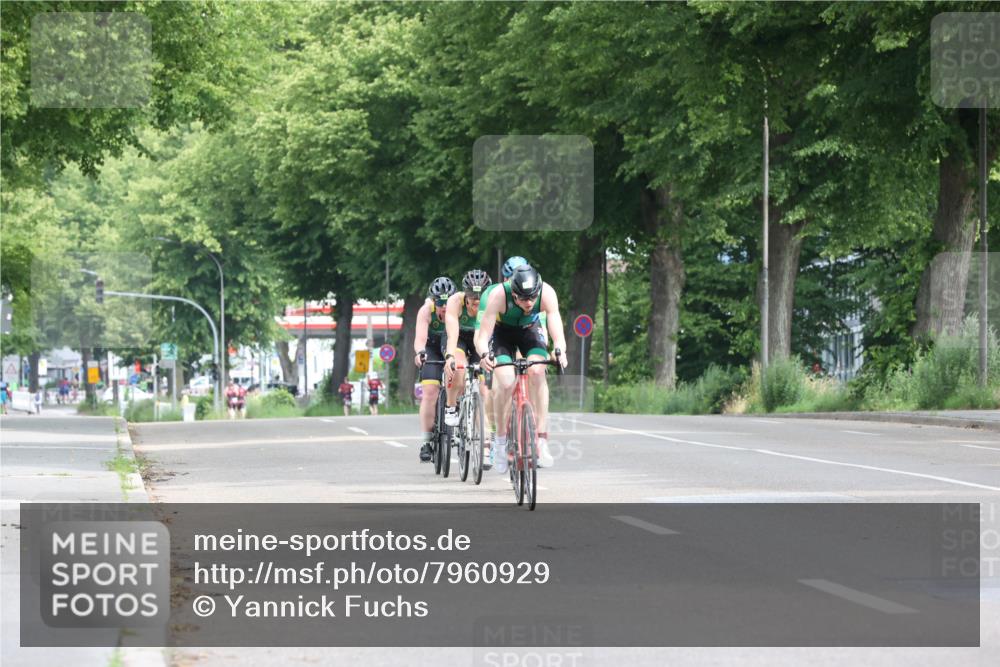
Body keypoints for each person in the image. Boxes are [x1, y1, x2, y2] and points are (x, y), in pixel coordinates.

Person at [477, 264, 567, 471]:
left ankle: (541, 441)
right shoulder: (499, 295)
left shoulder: (547, 292)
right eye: (523, 298)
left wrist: (560, 348)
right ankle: (500, 442)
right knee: (507, 382)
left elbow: (555, 327)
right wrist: (484, 355)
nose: (529, 303)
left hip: (530, 330)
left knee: (537, 371)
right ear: (513, 293)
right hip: (502, 334)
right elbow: (483, 337)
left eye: (532, 298)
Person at [442, 268, 492, 442]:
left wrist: (486, 355)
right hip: (459, 338)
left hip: (479, 338)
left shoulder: (490, 304)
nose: (476, 301)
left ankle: (483, 435)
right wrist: (450, 357)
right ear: (465, 294)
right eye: (472, 297)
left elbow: (483, 336)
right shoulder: (455, 302)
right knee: (459, 369)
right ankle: (450, 405)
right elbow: (452, 335)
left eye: (480, 297)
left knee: (484, 388)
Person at [414, 276, 457, 462]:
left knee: (459, 381)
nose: (444, 308)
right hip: (432, 348)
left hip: (450, 347)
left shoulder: (458, 310)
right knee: (430, 392)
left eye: (448, 303)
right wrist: (420, 353)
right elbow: (420, 338)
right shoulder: (426, 311)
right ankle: (426, 441)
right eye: (440, 303)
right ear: (433, 301)